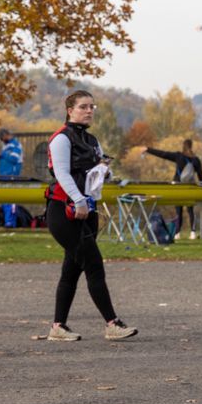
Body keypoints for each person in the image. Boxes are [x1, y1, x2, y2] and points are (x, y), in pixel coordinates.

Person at [41, 89, 137, 342]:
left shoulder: (93, 140)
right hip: (65, 211)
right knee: (93, 264)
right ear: (70, 110)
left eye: (92, 107)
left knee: (71, 270)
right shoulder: (61, 138)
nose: (89, 111)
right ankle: (112, 323)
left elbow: (99, 171)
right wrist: (79, 200)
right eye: (83, 106)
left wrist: (105, 173)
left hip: (87, 210)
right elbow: (61, 173)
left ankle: (58, 327)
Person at [144, 139, 202, 237]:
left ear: (183, 146)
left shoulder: (178, 156)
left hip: (177, 186)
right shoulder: (196, 160)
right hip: (189, 187)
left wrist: (148, 149)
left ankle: (177, 233)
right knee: (190, 210)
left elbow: (163, 154)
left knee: (178, 210)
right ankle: (193, 232)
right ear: (191, 146)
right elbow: (201, 176)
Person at [0, 129, 25, 228]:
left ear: (6, 135)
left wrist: (2, 154)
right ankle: (7, 221)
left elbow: (14, 158)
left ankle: (10, 222)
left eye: (2, 138)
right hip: (4, 175)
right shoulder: (6, 146)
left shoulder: (16, 145)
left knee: (11, 199)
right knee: (5, 198)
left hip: (11, 175)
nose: (1, 140)